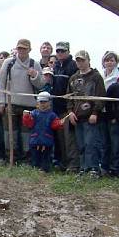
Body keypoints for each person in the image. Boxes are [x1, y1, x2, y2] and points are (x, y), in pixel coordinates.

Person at [0, 39, 45, 162]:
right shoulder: (8, 63)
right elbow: (1, 83)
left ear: (29, 49)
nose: (21, 51)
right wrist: (0, 102)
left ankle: (26, 158)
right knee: (9, 133)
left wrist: (34, 75)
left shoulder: (34, 64)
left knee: (26, 134)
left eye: (24, 48)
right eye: (20, 48)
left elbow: (41, 84)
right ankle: (11, 158)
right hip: (11, 103)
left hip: (29, 105)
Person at [67, 50, 106, 177]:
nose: (80, 63)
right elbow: (69, 97)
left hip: (91, 116)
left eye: (83, 60)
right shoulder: (73, 78)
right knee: (81, 144)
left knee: (91, 143)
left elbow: (101, 96)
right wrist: (70, 112)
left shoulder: (95, 77)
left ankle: (93, 168)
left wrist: (95, 112)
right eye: (78, 60)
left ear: (88, 60)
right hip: (77, 116)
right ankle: (83, 168)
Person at [52, 41, 79, 172]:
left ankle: (73, 164)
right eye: (58, 51)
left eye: (63, 51)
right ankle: (63, 162)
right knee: (60, 138)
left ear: (68, 51)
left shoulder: (73, 66)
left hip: (68, 108)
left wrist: (71, 108)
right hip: (56, 107)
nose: (60, 53)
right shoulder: (56, 65)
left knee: (70, 139)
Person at [22, 92, 63, 172]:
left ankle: (45, 169)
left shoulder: (52, 115)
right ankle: (35, 169)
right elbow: (29, 124)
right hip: (35, 140)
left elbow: (55, 126)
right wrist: (26, 117)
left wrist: (60, 123)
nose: (43, 104)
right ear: (37, 103)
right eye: (41, 102)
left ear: (49, 103)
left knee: (46, 158)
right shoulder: (33, 113)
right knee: (35, 157)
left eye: (45, 102)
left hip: (47, 141)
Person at [106, 73, 119, 177]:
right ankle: (116, 170)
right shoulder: (115, 87)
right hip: (117, 122)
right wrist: (112, 117)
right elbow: (108, 103)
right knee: (116, 148)